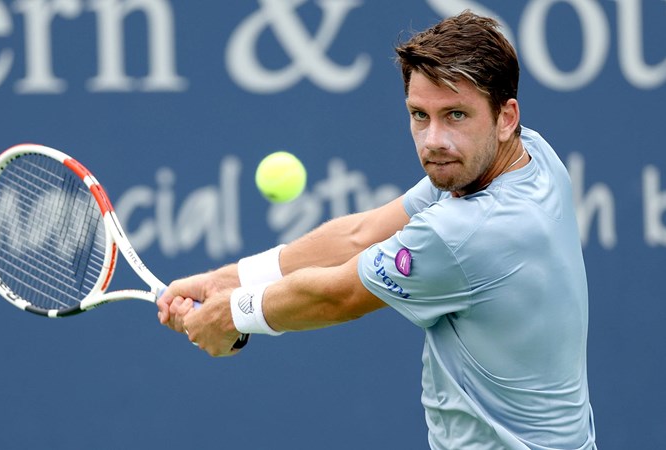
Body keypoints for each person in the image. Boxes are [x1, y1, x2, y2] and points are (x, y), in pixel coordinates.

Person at [157, 10, 596, 450]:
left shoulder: (465, 233)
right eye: (420, 115)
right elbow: (361, 234)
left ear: (505, 116)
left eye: (456, 115)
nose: (433, 140)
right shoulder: (530, 154)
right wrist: (229, 280)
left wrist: (232, 313)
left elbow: (336, 295)